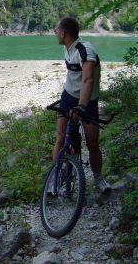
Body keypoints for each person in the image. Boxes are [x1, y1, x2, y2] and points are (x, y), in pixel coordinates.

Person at [53, 16, 111, 194]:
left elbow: (87, 79)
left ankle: (98, 178)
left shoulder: (85, 50)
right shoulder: (67, 48)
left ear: (63, 33)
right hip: (69, 95)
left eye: (56, 30)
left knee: (92, 143)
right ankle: (54, 178)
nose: (54, 33)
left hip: (89, 100)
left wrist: (82, 106)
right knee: (61, 136)